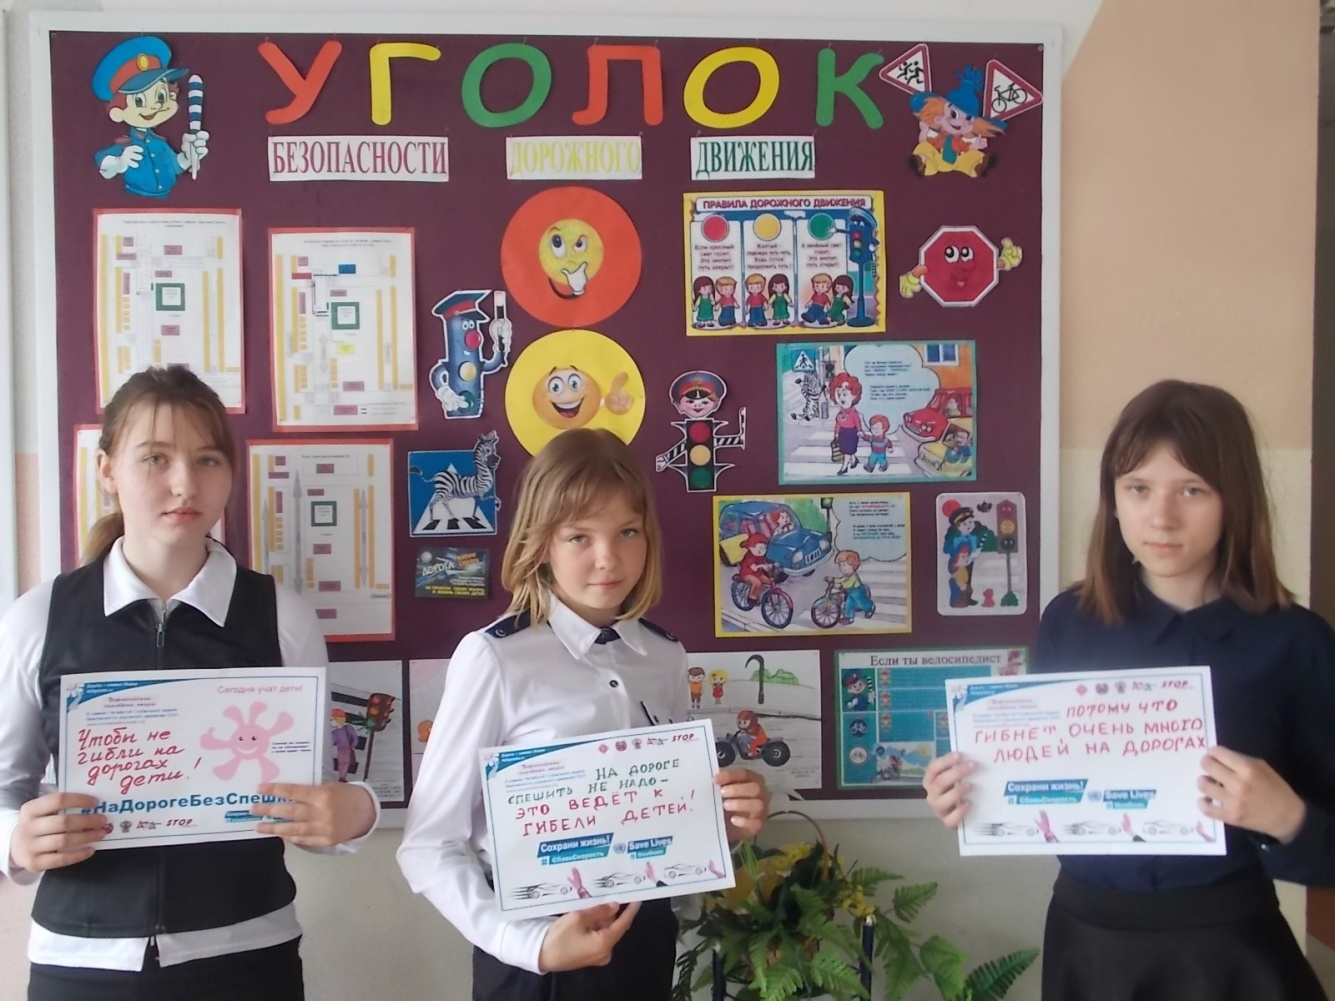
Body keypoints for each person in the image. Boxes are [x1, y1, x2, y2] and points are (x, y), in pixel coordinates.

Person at [922, 380, 1335, 1000]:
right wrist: (971, 794)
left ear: (1235, 498)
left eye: (1192, 490)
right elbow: (1048, 782)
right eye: (1138, 488)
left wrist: (1288, 820)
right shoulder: (1070, 622)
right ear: (1113, 499)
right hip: (1088, 942)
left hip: (1229, 949)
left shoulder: (1294, 642)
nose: (1161, 517)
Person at [0, 365, 379, 1001]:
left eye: (207, 460)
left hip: (246, 952)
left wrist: (358, 811)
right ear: (106, 470)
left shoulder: (281, 617)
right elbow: (5, 784)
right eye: (155, 458)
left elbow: (312, 795)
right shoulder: (41, 617)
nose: (184, 484)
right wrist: (16, 838)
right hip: (81, 958)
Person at [397, 428, 770, 1001]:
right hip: (537, 955)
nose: (608, 558)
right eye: (578, 537)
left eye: (627, 532)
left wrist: (726, 826)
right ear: (541, 543)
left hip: (644, 942)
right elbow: (428, 845)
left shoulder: (664, 655)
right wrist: (529, 945)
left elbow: (663, 818)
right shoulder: (496, 658)